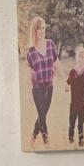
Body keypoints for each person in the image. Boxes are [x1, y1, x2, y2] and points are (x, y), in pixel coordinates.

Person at [23, 17, 57, 148]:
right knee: (42, 116)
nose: (42, 31)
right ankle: (47, 143)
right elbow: (28, 74)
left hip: (50, 86)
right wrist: (29, 93)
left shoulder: (50, 44)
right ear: (34, 30)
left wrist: (65, 78)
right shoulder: (30, 51)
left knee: (42, 115)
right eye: (39, 28)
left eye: (43, 28)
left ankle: (32, 138)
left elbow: (56, 62)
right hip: (37, 88)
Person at [64, 57, 84, 147]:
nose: (80, 59)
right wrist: (66, 85)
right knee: (71, 123)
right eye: (79, 57)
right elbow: (68, 82)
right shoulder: (72, 72)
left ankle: (81, 141)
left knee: (80, 124)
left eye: (83, 57)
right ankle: (70, 141)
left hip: (82, 103)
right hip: (73, 103)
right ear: (76, 58)